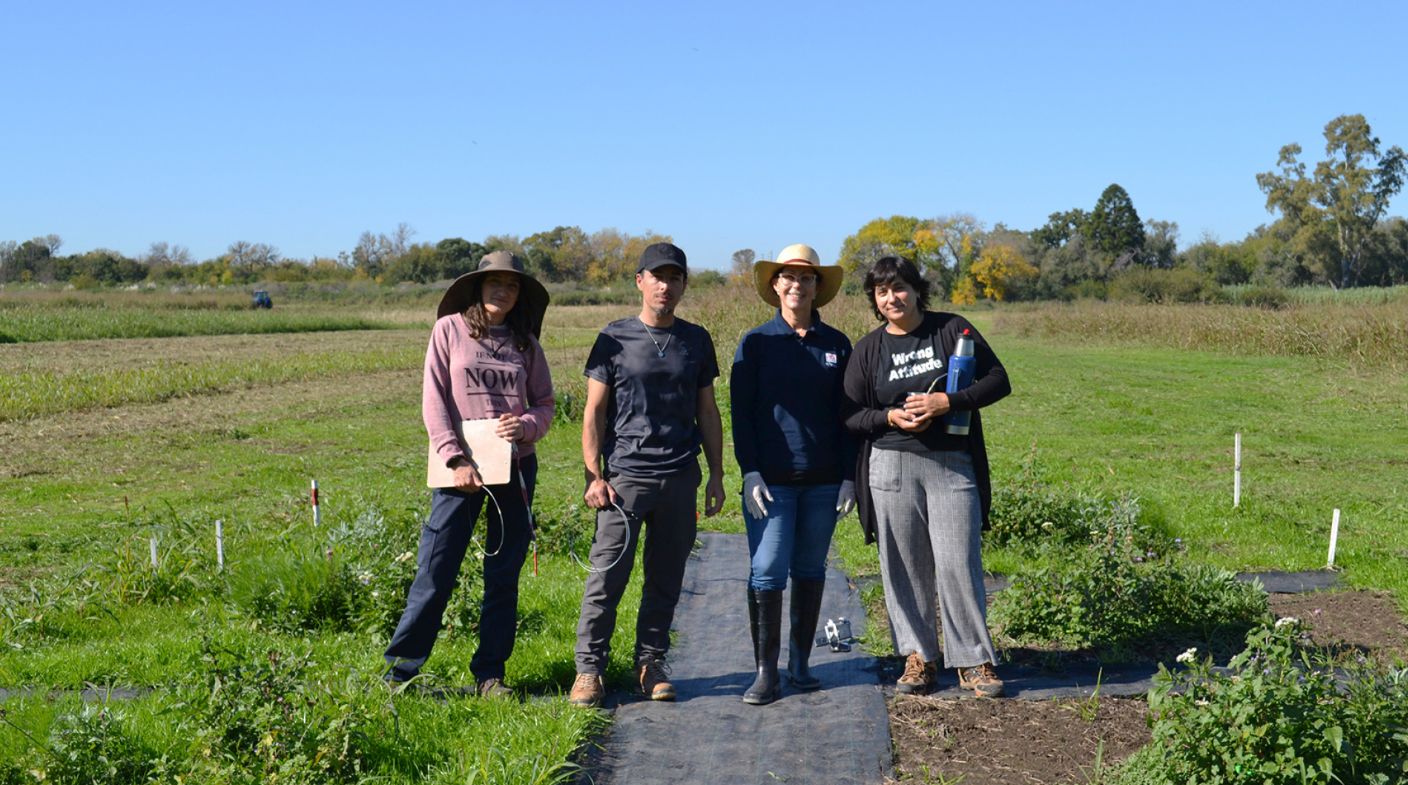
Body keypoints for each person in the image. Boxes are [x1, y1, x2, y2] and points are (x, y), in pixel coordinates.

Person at [384, 250, 554, 698]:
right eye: (495, 282)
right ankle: (401, 673)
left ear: (520, 296)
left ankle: (489, 675)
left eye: (513, 285)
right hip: (458, 472)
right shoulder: (449, 331)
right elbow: (434, 398)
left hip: (515, 469)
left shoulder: (526, 344)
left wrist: (527, 426)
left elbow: (545, 404)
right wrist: (453, 458)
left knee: (503, 572)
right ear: (478, 287)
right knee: (436, 569)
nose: (504, 290)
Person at [841, 256, 1011, 698]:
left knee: (958, 562)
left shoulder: (952, 329)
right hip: (890, 465)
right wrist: (890, 416)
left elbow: (998, 381)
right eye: (881, 292)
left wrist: (947, 403)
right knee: (904, 566)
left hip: (950, 463)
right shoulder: (868, 349)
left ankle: (974, 660)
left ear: (917, 290)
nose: (891, 298)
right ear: (874, 301)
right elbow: (851, 415)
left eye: (899, 287)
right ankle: (919, 658)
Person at [568, 242, 726, 708]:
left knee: (665, 578)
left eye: (674, 277)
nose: (665, 285)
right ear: (639, 281)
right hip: (624, 480)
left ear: (682, 285)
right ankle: (589, 670)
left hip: (679, 477)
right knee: (607, 577)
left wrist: (717, 474)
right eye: (656, 276)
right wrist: (593, 476)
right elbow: (594, 413)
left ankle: (650, 664)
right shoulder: (613, 338)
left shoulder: (695, 339)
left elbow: (708, 412)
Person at [729, 243, 856, 705]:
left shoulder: (838, 345)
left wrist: (849, 476)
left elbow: (849, 415)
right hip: (773, 482)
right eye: (788, 277)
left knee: (809, 568)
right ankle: (766, 673)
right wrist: (750, 472)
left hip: (825, 482)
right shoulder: (756, 343)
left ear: (818, 288)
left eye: (806, 278)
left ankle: (799, 665)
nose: (797, 285)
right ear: (774, 285)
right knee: (767, 570)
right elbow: (740, 414)